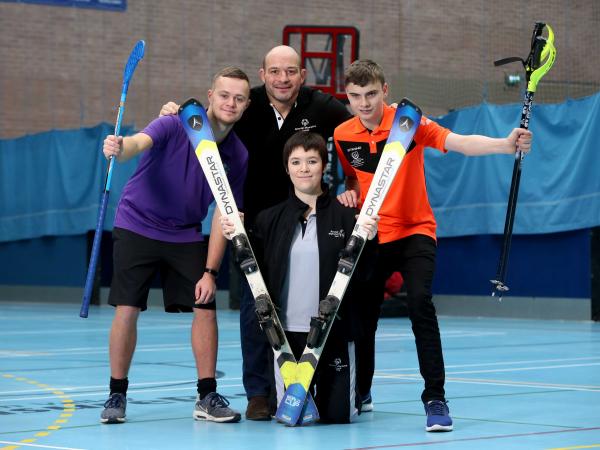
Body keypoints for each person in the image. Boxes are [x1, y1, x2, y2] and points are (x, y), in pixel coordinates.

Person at [334, 60, 533, 432]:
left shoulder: (409, 123)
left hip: (416, 231)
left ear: (385, 90)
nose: (364, 103)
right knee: (362, 317)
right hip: (373, 234)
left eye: (371, 94)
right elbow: (354, 176)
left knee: (420, 305)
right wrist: (349, 193)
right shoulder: (343, 134)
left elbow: (459, 143)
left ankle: (435, 399)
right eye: (355, 96)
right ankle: (361, 390)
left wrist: (505, 145)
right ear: (347, 96)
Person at [160, 45, 356, 421]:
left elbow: (355, 131)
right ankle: (260, 393)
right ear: (263, 75)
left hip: (312, 224)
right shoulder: (245, 104)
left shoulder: (323, 107)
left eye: (291, 72)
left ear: (302, 76)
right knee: (256, 311)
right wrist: (175, 113)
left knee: (324, 304)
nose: (283, 79)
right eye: (275, 72)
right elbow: (208, 119)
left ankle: (334, 387)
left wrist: (351, 180)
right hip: (254, 228)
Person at [99, 67, 251, 424]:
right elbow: (138, 143)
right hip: (137, 224)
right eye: (224, 95)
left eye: (239, 98)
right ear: (210, 95)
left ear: (246, 104)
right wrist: (120, 147)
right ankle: (116, 393)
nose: (230, 102)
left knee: (205, 306)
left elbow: (223, 214)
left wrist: (211, 271)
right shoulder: (174, 124)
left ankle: (206, 396)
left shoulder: (237, 155)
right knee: (127, 307)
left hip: (184, 232)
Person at [220, 131, 378, 423]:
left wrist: (370, 240)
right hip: (285, 338)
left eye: (312, 161)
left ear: (323, 165)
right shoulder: (269, 219)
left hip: (333, 334)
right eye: (296, 161)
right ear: (287, 168)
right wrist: (237, 238)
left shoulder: (346, 218)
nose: (304, 168)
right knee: (290, 417)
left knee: (337, 416)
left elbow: (367, 277)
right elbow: (251, 274)